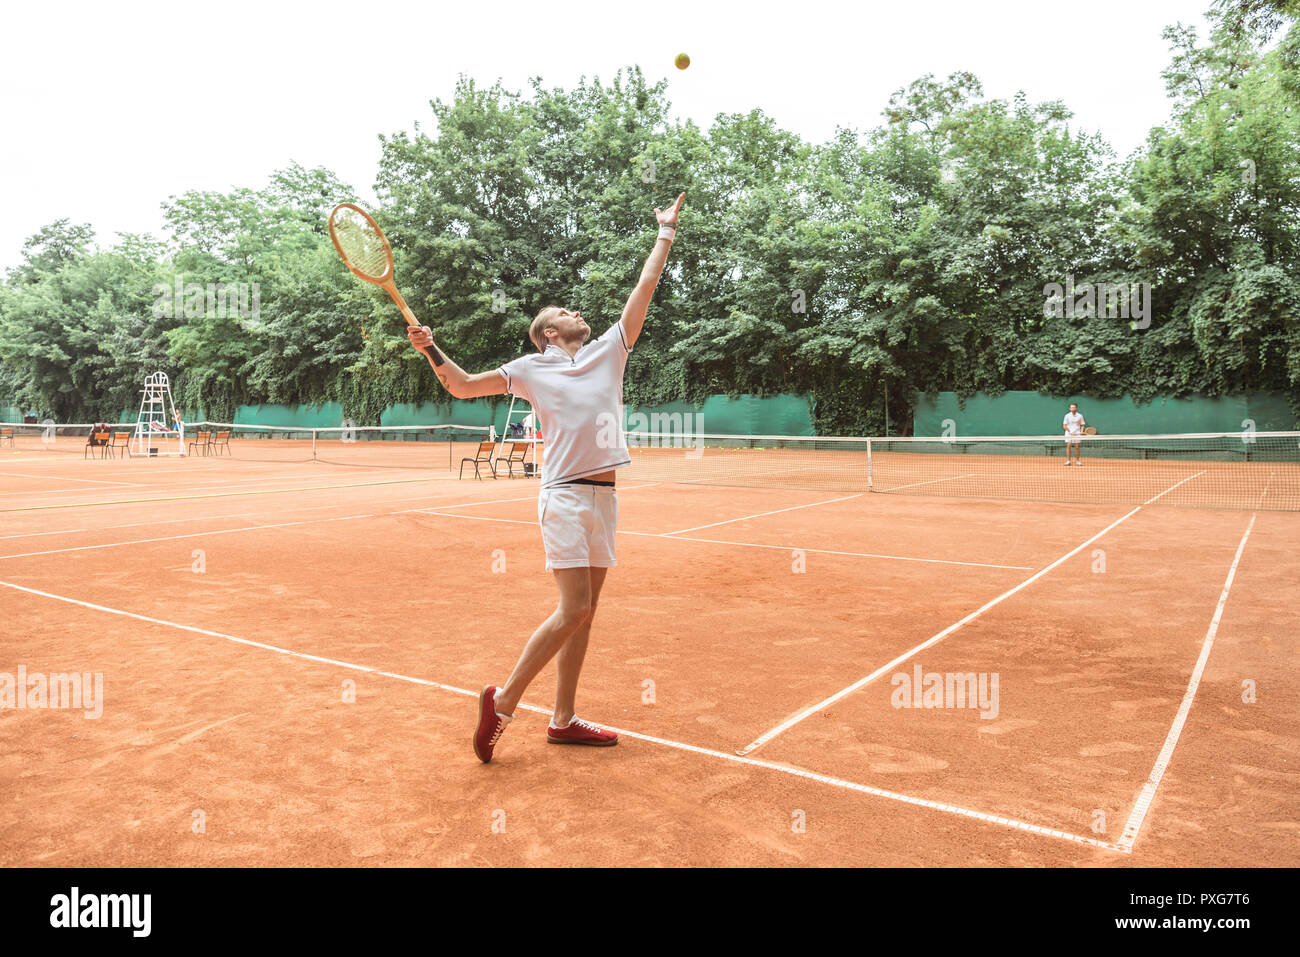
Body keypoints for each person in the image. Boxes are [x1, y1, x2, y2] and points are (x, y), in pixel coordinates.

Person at [407, 192, 685, 763]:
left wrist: (665, 234)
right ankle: (503, 702)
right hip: (563, 496)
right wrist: (431, 347)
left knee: (587, 614)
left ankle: (562, 719)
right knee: (574, 609)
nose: (576, 312)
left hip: (605, 498)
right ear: (549, 334)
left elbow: (644, 291)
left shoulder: (610, 349)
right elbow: (460, 386)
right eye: (564, 312)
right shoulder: (530, 369)